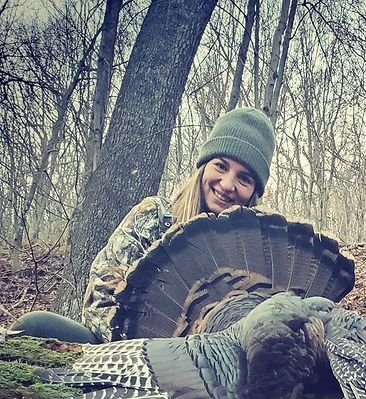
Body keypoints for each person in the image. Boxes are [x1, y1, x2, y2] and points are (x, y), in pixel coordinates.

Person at [11, 107, 276, 343]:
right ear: (204, 167)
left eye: (244, 179)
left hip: (206, 378)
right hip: (122, 355)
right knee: (35, 326)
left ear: (254, 192)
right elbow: (98, 301)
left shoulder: (260, 256)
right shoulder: (154, 216)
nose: (228, 184)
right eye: (221, 166)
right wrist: (146, 350)